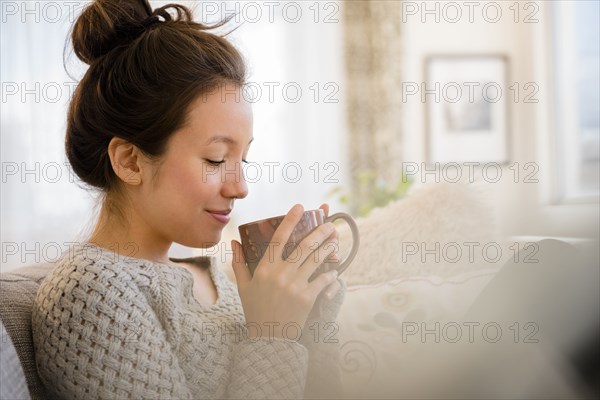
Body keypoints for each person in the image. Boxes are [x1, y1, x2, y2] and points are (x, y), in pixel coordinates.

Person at [31, 1, 346, 398]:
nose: (240, 187)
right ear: (130, 161)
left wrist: (310, 319)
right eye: (216, 159)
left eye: (242, 159)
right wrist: (273, 336)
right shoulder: (89, 291)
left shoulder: (213, 275)